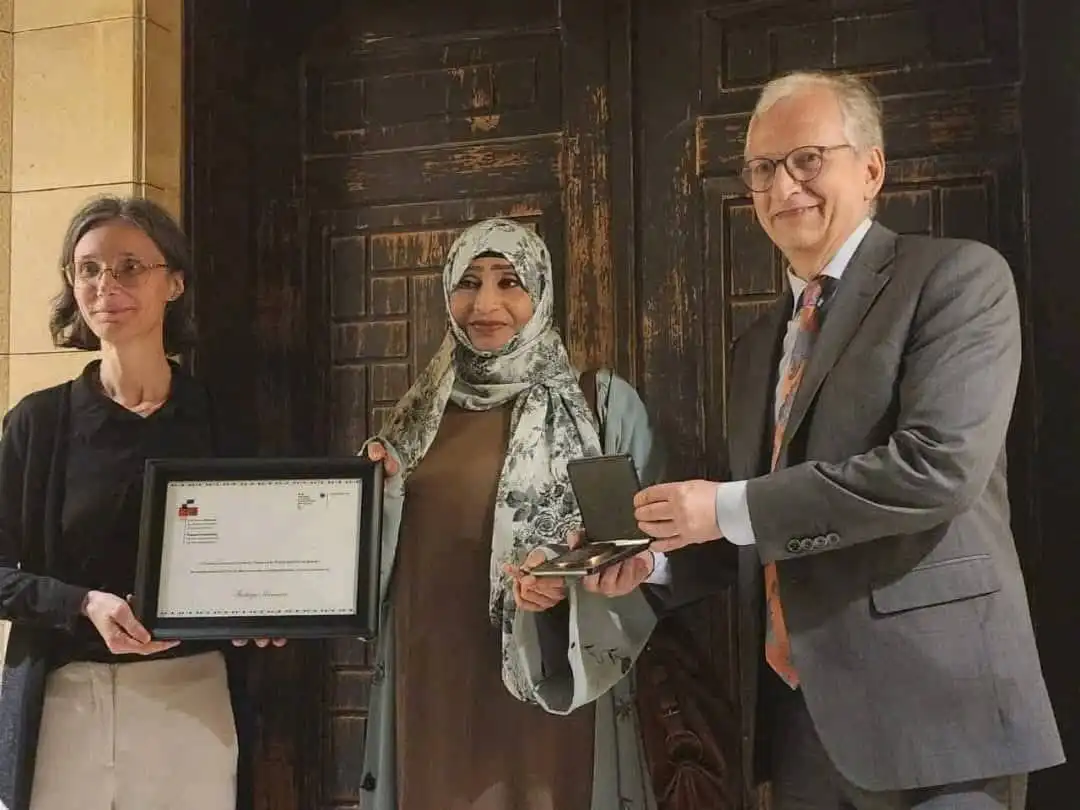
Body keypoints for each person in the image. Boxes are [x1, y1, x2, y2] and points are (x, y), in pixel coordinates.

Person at [633, 71, 1064, 810]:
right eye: (762, 168)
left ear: (871, 169)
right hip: (801, 731)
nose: (783, 186)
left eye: (807, 159)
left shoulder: (957, 278)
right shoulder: (755, 347)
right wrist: (653, 559)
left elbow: (936, 470)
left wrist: (725, 506)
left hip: (941, 721)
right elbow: (766, 526)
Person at [360, 217, 664, 810]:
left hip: (556, 674)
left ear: (541, 293)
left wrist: (563, 580)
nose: (485, 304)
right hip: (435, 685)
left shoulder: (601, 405)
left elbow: (647, 555)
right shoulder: (413, 419)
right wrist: (380, 491)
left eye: (509, 281)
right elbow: (368, 570)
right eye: (468, 282)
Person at [0, 196, 279, 810]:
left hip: (192, 695)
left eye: (129, 266)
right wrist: (83, 604)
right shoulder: (36, 425)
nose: (106, 285)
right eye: (88, 269)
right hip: (63, 699)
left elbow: (260, 556)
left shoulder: (222, 421)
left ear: (174, 282)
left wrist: (267, 610)